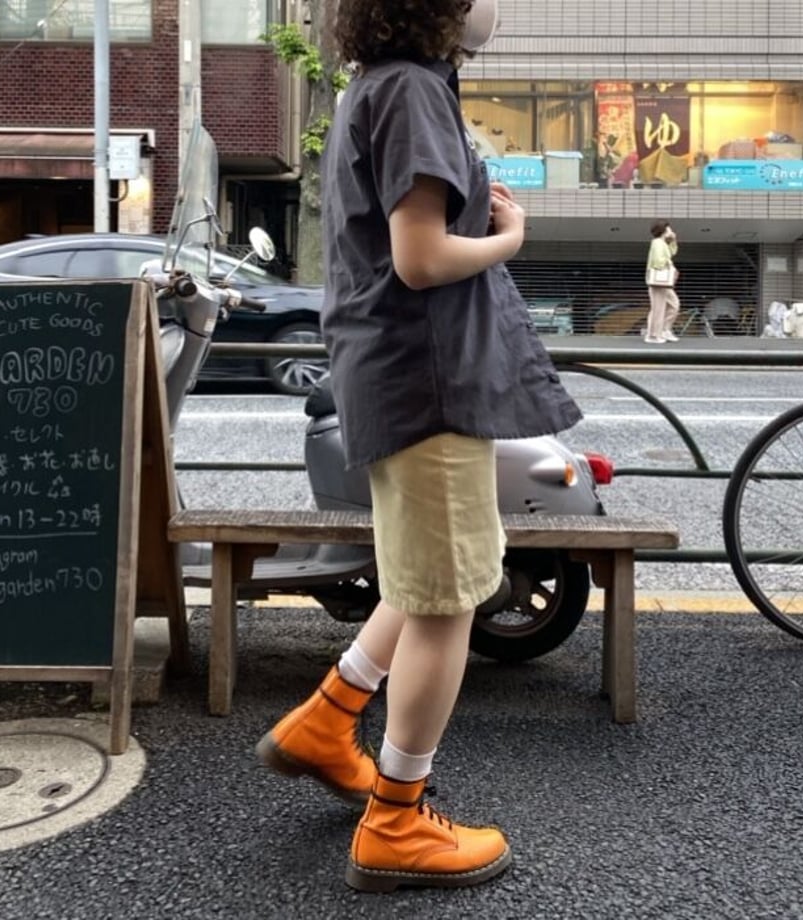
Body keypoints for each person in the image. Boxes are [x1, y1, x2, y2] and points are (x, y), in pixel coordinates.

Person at [255, 0, 582, 894]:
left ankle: (329, 721)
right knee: (449, 600)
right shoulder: (411, 92)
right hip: (427, 377)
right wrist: (508, 238)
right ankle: (397, 821)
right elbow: (422, 258)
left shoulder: (377, 86)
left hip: (398, 376)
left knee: (427, 577)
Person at [645, 220, 680, 343]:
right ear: (664, 230)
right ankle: (653, 335)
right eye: (669, 228)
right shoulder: (657, 243)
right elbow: (658, 262)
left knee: (674, 305)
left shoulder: (662, 243)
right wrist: (670, 265)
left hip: (662, 281)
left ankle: (664, 330)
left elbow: (672, 252)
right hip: (659, 280)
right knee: (658, 308)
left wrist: (673, 240)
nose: (671, 231)